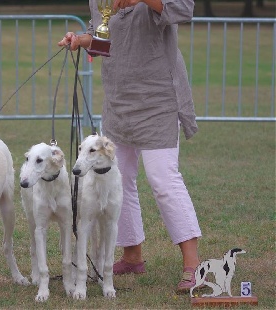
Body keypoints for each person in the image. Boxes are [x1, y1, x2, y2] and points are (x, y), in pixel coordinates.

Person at [58, 0, 202, 293]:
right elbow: (104, 42)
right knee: (118, 179)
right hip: (118, 102)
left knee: (163, 180)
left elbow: (184, 9)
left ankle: (194, 265)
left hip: (158, 98)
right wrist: (81, 40)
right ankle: (132, 255)